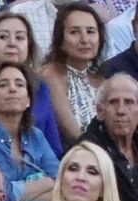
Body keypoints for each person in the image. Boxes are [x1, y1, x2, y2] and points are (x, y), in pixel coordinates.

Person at [0, 60, 60, 201]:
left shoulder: (36, 136)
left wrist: (21, 195)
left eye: (20, 84)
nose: (12, 89)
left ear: (28, 100)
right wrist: (46, 183)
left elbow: (61, 182)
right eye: (3, 85)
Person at [0, 9, 64, 157]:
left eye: (20, 38)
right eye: (3, 37)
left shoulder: (40, 87)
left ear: (29, 48)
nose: (12, 43)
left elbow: (54, 147)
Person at [41, 1, 105, 147]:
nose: (85, 39)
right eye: (74, 32)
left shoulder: (101, 81)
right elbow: (73, 133)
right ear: (61, 41)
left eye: (91, 31)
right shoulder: (50, 75)